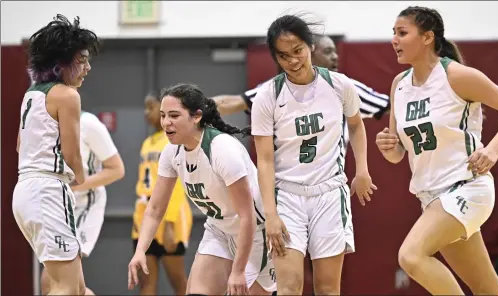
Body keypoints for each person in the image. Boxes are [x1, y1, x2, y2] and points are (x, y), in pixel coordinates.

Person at [375, 5, 498, 295]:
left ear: (427, 37)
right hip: (431, 196)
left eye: (402, 33)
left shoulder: (456, 75)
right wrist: (388, 147)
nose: (394, 40)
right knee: (487, 289)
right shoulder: (399, 85)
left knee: (411, 256)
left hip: (466, 188)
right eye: (393, 33)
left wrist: (493, 151)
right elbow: (398, 154)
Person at [251, 15, 376, 295]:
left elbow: (356, 126)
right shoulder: (267, 96)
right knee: (288, 288)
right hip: (287, 196)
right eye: (283, 56)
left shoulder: (340, 85)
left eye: (298, 51)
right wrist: (270, 215)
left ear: (310, 46)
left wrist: (363, 170)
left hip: (329, 194)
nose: (293, 61)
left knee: (328, 289)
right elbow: (265, 159)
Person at [128, 84, 276, 296]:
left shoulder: (222, 149)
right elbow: (155, 209)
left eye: (174, 115)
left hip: (256, 234)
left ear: (196, 117)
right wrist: (140, 250)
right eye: (163, 115)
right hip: (219, 229)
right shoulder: (171, 152)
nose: (166, 122)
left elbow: (247, 216)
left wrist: (238, 270)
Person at [12, 14, 100, 295]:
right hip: (48, 190)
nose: (87, 67)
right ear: (60, 62)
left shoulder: (32, 94)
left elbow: (18, 145)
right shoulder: (67, 95)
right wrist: (81, 180)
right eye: (82, 60)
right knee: (65, 287)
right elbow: (73, 155)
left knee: (78, 289)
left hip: (25, 190)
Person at [41, 109, 125, 295]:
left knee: (53, 280)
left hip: (84, 205)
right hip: (58, 207)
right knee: (71, 287)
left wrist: (74, 186)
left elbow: (117, 169)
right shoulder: (43, 124)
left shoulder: (88, 124)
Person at [212, 35, 390, 121]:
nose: (335, 57)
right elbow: (235, 102)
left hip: (328, 183)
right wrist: (191, 105)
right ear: (308, 54)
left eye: (335, 52)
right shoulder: (276, 88)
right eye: (328, 52)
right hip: (287, 182)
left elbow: (389, 106)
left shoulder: (343, 86)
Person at [131, 94, 194, 295]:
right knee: (146, 283)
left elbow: (176, 186)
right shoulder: (147, 142)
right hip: (144, 213)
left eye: (151, 107)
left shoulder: (174, 142)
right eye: (145, 108)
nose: (146, 112)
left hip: (170, 213)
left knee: (178, 282)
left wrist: (168, 223)